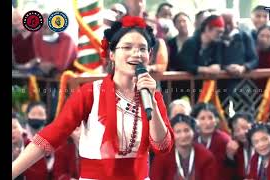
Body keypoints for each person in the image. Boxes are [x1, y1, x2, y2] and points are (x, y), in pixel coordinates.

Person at [12, 16, 174, 180]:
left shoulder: (152, 96)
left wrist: (151, 101)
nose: (136, 54)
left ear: (149, 54)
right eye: (127, 47)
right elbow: (52, 135)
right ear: (112, 54)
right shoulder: (90, 93)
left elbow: (162, 147)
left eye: (142, 48)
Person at [20, 101, 79, 180]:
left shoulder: (60, 141)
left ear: (46, 117)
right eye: (33, 114)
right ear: (27, 116)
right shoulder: (21, 138)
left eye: (40, 114)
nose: (37, 117)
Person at [150, 114, 218, 180]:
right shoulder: (162, 157)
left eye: (186, 130)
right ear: (171, 134)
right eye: (178, 132)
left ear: (194, 132)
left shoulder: (206, 156)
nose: (183, 135)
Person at [176, 15, 224, 102]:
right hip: (184, 87)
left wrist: (216, 67)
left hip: (204, 88)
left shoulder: (217, 44)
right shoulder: (191, 42)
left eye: (221, 32)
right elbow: (186, 65)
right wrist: (206, 69)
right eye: (218, 32)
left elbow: (218, 63)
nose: (220, 35)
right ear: (207, 29)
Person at [218, 10, 258, 104]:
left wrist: (243, 68)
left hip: (243, 83)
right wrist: (225, 68)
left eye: (229, 22)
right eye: (224, 22)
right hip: (221, 84)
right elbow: (214, 60)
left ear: (236, 23)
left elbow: (254, 59)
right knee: (221, 113)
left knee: (245, 112)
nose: (227, 26)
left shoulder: (245, 36)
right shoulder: (216, 38)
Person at [190, 102, 232, 180]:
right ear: (195, 121)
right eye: (202, 118)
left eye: (210, 118)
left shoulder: (224, 140)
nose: (207, 123)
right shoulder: (191, 139)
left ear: (216, 120)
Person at [225, 112, 255, 180]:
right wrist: (230, 157)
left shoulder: (263, 144)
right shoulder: (235, 148)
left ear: (253, 126)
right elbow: (228, 176)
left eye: (245, 128)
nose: (241, 133)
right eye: (237, 130)